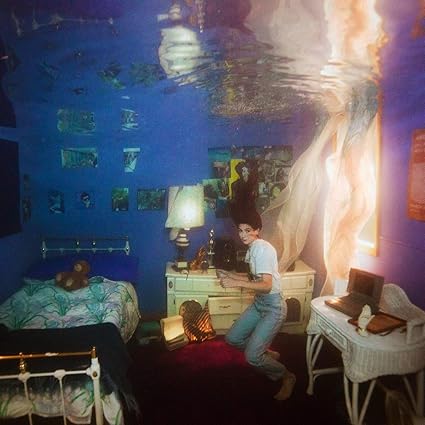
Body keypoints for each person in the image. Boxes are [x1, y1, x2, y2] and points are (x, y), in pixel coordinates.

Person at [216, 209, 296, 400]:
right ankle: (265, 353)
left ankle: (287, 376)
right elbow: (254, 278)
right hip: (259, 303)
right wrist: (231, 275)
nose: (243, 235)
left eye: (248, 230)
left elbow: (266, 285)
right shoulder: (253, 248)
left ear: (257, 230)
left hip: (273, 307)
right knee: (233, 338)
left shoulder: (263, 249)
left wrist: (235, 283)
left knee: (251, 357)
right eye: (240, 230)